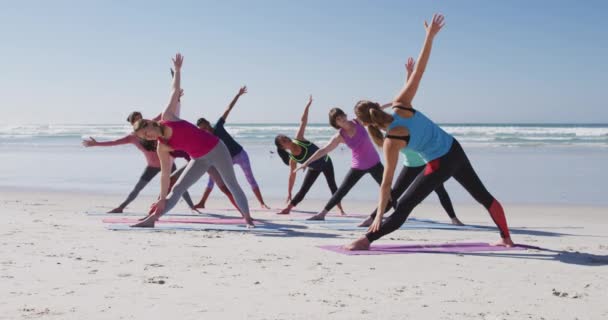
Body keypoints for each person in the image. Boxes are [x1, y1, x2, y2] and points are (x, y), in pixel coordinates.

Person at [345, 14, 513, 250]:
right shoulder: (400, 104)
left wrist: (379, 215)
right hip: (454, 149)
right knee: (483, 196)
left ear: (365, 124)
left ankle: (366, 240)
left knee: (404, 205)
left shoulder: (391, 141)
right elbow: (419, 72)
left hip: (439, 162)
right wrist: (429, 37)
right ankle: (506, 237)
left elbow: (386, 184)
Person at [130, 53, 254, 227]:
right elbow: (165, 175)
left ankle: (248, 219)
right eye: (145, 137)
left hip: (217, 149)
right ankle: (152, 220)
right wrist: (162, 198)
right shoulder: (162, 147)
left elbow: (174, 91)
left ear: (151, 123)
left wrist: (178, 71)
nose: (148, 136)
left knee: (231, 183)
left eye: (146, 132)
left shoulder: (168, 117)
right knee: (177, 189)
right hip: (199, 159)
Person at [358, 57, 463, 227]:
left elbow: (403, 100)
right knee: (397, 191)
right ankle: (373, 217)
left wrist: (408, 76)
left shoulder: (389, 120)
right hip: (413, 161)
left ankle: (453, 218)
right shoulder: (387, 125)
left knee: (438, 189)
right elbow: (402, 100)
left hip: (425, 157)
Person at [82, 110, 196, 213]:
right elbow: (114, 142)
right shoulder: (132, 138)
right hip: (152, 166)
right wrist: (97, 144)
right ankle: (121, 207)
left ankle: (192, 208)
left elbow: (164, 112)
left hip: (167, 163)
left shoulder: (150, 124)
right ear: (132, 123)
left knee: (179, 185)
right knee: (138, 188)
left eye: (140, 117)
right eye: (136, 118)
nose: (139, 119)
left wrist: (176, 99)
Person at [294, 107, 386, 220]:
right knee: (342, 190)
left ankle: (391, 212)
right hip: (358, 166)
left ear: (345, 115)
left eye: (341, 115)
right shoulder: (340, 136)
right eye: (338, 118)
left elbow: (374, 110)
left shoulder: (358, 121)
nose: (341, 118)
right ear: (335, 123)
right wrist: (306, 163)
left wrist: (392, 104)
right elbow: (324, 150)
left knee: (386, 188)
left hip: (374, 163)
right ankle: (322, 214)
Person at [195, 86, 270, 210]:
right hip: (226, 159)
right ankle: (202, 202)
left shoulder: (218, 126)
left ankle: (262, 203)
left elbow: (228, 109)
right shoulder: (206, 139)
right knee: (212, 179)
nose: (205, 130)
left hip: (240, 154)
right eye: (202, 130)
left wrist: (238, 95)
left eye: (205, 127)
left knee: (249, 178)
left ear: (208, 123)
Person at [275, 96, 345, 215]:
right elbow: (292, 177)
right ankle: (288, 209)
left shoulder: (299, 139)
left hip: (326, 162)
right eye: (284, 141)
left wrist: (307, 105)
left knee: (332, 186)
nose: (287, 139)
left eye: (286, 137)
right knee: (304, 189)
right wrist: (289, 192)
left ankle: (340, 209)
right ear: (283, 147)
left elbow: (303, 121)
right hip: (314, 168)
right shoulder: (293, 159)